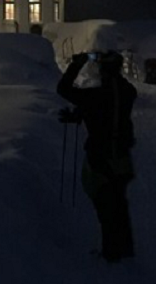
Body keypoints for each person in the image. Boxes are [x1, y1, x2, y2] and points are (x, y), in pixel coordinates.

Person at [57, 50, 138, 262]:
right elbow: (109, 108)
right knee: (119, 203)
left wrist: (77, 64)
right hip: (121, 157)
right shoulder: (128, 91)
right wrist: (79, 115)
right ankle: (124, 250)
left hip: (100, 157)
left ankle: (111, 254)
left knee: (105, 206)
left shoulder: (95, 95)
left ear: (102, 70)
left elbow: (63, 89)